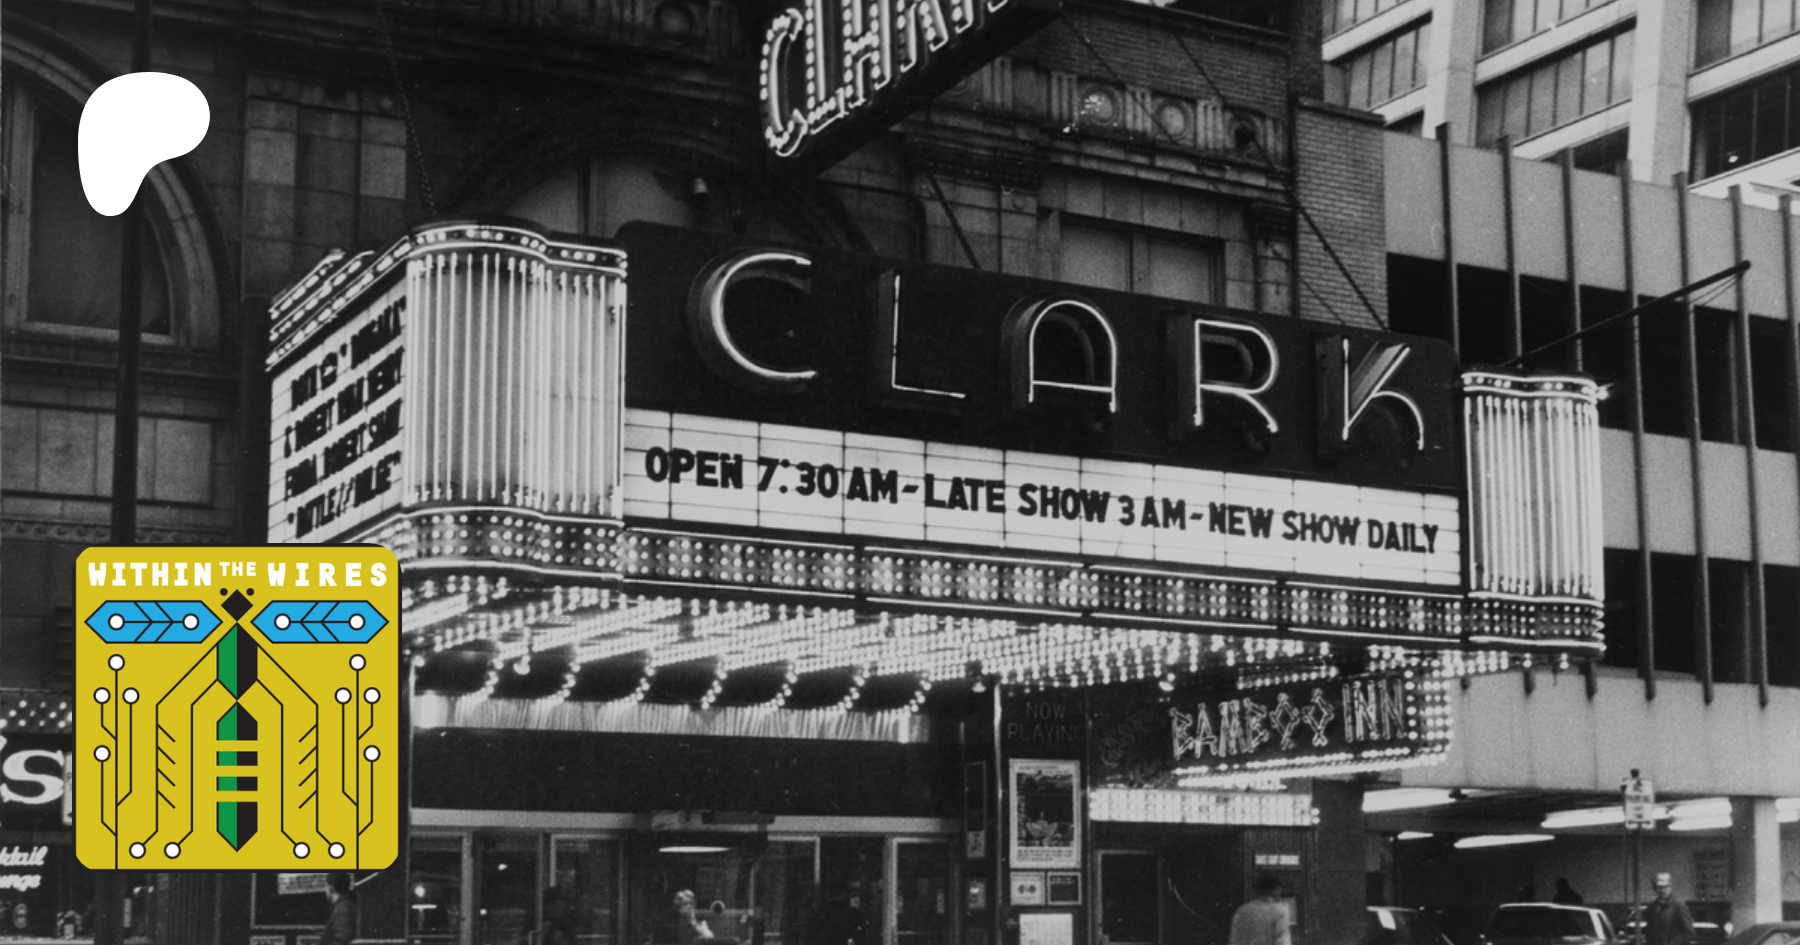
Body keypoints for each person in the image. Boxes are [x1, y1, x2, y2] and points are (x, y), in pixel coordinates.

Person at [1228, 873, 1291, 945]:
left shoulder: (1241, 910)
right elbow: (1282, 942)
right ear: (1276, 889)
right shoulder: (1279, 911)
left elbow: (1233, 940)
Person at [1642, 873, 1695, 945]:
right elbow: (1650, 930)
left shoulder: (1679, 906)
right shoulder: (1652, 907)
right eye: (1660, 887)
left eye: (1666, 887)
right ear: (1655, 889)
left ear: (1671, 888)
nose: (1663, 890)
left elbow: (1689, 932)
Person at [319, 873, 357, 945]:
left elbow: (342, 940)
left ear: (330, 888)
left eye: (325, 886)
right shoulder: (344, 907)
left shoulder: (342, 910)